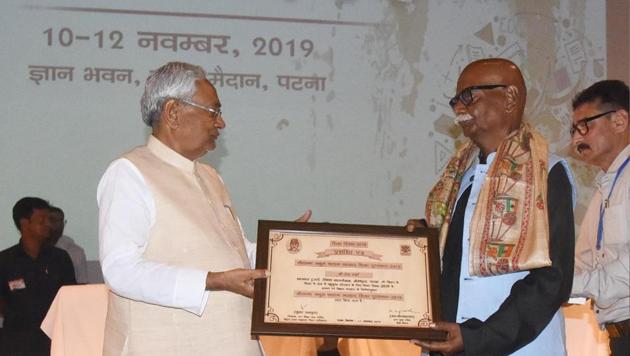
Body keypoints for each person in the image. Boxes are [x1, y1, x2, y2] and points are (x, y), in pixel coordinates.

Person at [97, 61, 309, 355]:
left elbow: (234, 251)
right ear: (173, 112)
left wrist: (281, 248)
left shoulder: (210, 176)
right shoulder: (130, 172)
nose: (221, 123)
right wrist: (213, 281)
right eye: (215, 112)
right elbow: (120, 270)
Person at [406, 58, 575, 355]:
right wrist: (418, 241)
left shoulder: (547, 172)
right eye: (455, 100)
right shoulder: (459, 177)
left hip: (519, 348)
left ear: (509, 97)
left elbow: (552, 278)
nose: (459, 108)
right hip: (453, 344)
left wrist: (482, 337)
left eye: (468, 97)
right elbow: (454, 261)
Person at [569, 80, 630, 355]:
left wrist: (564, 284)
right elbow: (582, 262)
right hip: (618, 335)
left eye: (585, 126)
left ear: (619, 120)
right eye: (573, 130)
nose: (576, 140)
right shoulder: (603, 188)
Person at [0, 197, 76, 355]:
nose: (48, 224)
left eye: (49, 220)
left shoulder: (60, 258)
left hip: (55, 340)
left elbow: (71, 296)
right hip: (16, 343)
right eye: (42, 220)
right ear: (24, 223)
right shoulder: (5, 260)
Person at [48, 206, 89, 284]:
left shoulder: (75, 251)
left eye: (60, 221)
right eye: (52, 220)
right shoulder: (34, 250)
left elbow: (82, 283)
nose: (58, 225)